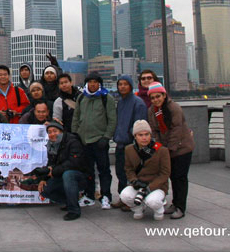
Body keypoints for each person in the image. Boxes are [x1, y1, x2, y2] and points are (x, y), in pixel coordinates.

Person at [148, 82, 194, 219]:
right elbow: (154, 131)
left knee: (180, 177)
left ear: (164, 95)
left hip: (182, 148)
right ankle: (175, 203)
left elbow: (176, 130)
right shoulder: (152, 111)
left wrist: (169, 149)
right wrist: (160, 148)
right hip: (166, 149)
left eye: (158, 96)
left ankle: (180, 207)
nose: (156, 100)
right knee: (172, 176)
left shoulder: (174, 108)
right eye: (152, 97)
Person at [72, 73, 117, 210]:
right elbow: (76, 117)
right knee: (88, 171)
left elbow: (112, 120)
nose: (92, 84)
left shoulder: (106, 98)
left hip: (99, 140)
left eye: (95, 82)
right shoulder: (81, 98)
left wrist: (106, 137)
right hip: (84, 141)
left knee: (104, 170)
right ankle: (89, 195)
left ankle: (106, 196)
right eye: (90, 82)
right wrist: (76, 134)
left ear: (99, 84)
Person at [120, 120, 171, 220]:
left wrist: (149, 188)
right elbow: (128, 169)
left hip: (157, 185)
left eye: (147, 134)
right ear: (135, 136)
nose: (144, 138)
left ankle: (159, 209)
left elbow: (165, 173)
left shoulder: (161, 150)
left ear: (150, 135)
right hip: (139, 183)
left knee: (152, 201)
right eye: (140, 135)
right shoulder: (129, 149)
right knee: (125, 196)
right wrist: (134, 181)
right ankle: (138, 208)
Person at [38, 121, 88, 221]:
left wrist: (54, 171)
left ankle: (74, 210)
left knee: (68, 174)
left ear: (61, 131)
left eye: (55, 131)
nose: (52, 134)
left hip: (80, 175)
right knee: (44, 189)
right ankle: (69, 201)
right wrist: (44, 179)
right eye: (49, 132)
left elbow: (73, 163)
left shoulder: (73, 142)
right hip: (61, 173)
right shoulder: (51, 145)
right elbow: (51, 163)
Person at [112, 75, 148, 210]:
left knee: (132, 173)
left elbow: (140, 126)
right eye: (120, 84)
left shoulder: (138, 103)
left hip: (132, 145)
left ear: (131, 86)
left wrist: (135, 142)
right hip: (120, 143)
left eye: (125, 84)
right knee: (120, 172)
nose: (122, 87)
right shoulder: (121, 102)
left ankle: (132, 200)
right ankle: (123, 197)